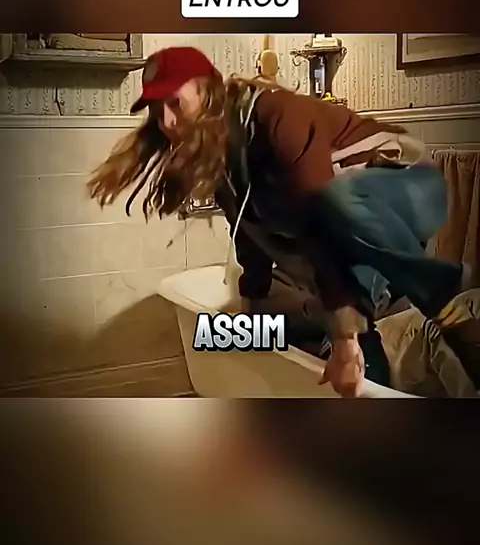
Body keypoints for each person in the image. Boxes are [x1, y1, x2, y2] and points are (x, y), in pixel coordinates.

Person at [88, 46, 470, 397]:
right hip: (346, 235)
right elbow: (247, 232)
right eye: (157, 111)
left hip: (405, 186)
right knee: (233, 326)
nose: (168, 122)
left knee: (335, 239)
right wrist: (250, 306)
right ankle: (349, 344)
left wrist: (345, 338)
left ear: (209, 92)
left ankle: (443, 302)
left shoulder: (280, 115)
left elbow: (321, 223)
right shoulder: (222, 155)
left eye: (175, 102)